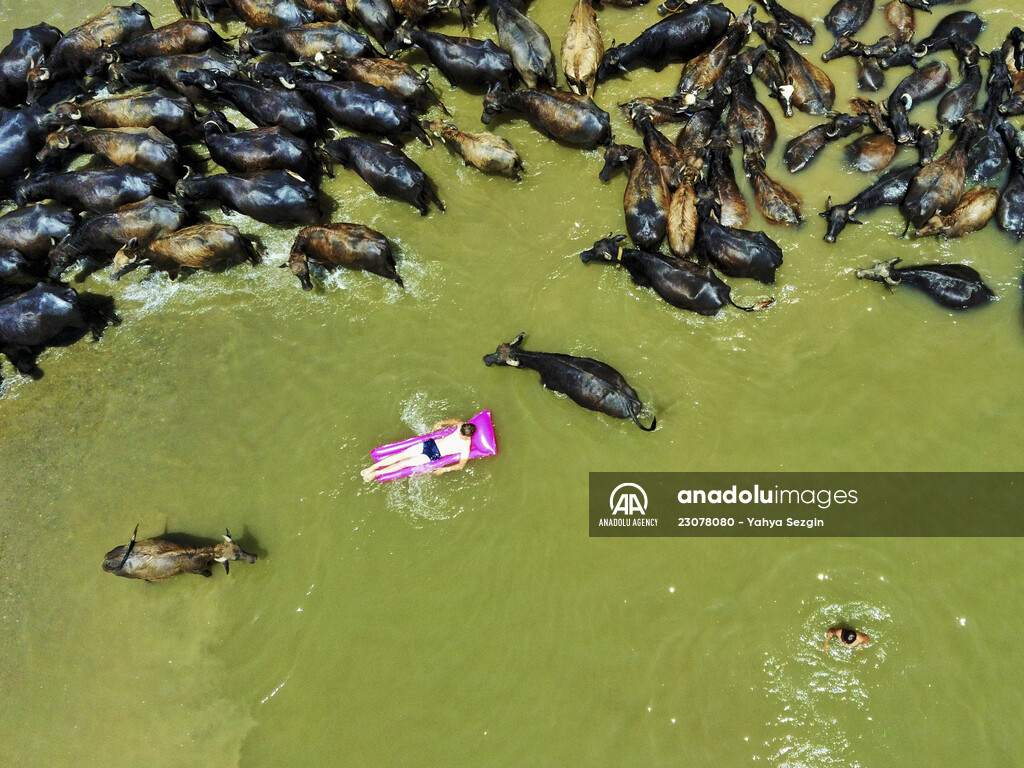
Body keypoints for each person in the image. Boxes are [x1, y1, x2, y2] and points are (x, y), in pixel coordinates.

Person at [361, 420, 477, 482]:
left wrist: (444, 469)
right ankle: (372, 467)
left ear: (467, 436)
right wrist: (440, 423)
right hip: (430, 444)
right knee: (401, 455)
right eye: (460, 431)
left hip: (433, 454)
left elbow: (461, 465)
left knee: (404, 463)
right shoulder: (461, 426)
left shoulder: (465, 445)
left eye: (462, 434)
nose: (459, 433)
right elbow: (455, 421)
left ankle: (375, 473)